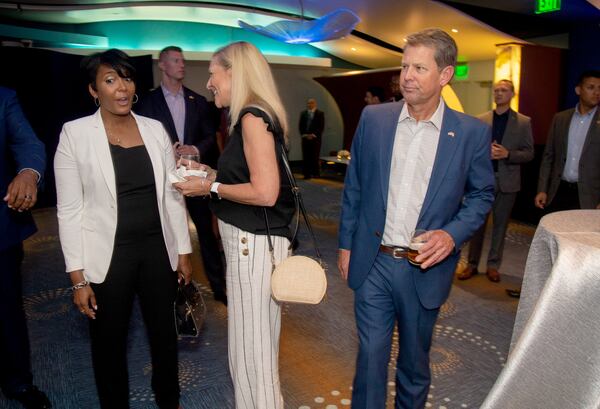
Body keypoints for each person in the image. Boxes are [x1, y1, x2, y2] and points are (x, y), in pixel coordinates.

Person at [338, 28, 494, 408]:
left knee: (413, 363)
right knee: (371, 358)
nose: (407, 75)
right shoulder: (374, 119)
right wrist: (345, 245)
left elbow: (481, 194)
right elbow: (354, 187)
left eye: (419, 68)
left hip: (423, 266)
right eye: (405, 65)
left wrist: (452, 235)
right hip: (373, 259)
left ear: (445, 75)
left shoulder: (471, 132)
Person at [54, 49, 192, 409]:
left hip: (156, 251)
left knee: (165, 338)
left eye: (126, 78)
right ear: (93, 90)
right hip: (108, 256)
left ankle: (169, 401)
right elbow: (68, 210)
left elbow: (171, 195)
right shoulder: (75, 134)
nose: (121, 88)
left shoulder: (153, 129)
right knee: (108, 342)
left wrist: (183, 251)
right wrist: (78, 278)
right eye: (110, 80)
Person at [173, 41, 294, 409]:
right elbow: (248, 178)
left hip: (252, 245)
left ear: (234, 73)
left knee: (251, 355)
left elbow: (266, 192)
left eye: (213, 73)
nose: (209, 83)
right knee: (254, 349)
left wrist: (209, 185)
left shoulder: (252, 117)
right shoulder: (253, 115)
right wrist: (210, 173)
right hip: (254, 244)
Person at [136, 46, 227, 305]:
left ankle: (219, 288)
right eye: (175, 60)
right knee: (166, 235)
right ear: (162, 65)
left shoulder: (197, 101)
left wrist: (194, 149)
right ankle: (168, 291)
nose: (182, 65)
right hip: (163, 180)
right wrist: (165, 151)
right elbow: (141, 138)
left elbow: (211, 136)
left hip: (194, 178)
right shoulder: (146, 102)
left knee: (207, 236)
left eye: (183, 60)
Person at [0, 87, 51, 409]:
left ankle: (18, 382)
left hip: (0, 231)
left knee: (6, 312)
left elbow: (28, 144)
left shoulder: (3, 97)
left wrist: (28, 174)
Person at [457, 79, 534, 283]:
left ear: (512, 94)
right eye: (497, 90)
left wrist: (508, 154)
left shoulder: (524, 122)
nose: (499, 93)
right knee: (476, 224)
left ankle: (493, 265)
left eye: (504, 90)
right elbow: (471, 151)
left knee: (500, 226)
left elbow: (529, 153)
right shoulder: (480, 120)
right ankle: (471, 264)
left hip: (508, 181)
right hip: (483, 180)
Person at [535, 70, 600, 212]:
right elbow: (548, 157)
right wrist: (542, 189)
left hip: (588, 196)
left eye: (599, 88)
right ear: (578, 90)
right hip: (558, 191)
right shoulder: (561, 118)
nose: (596, 92)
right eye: (591, 87)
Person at [298, 98, 325, 179]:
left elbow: (321, 126)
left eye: (312, 103)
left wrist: (313, 135)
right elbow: (300, 126)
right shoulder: (303, 113)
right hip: (305, 139)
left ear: (315, 104)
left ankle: (315, 173)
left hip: (315, 139)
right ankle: (307, 174)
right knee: (306, 156)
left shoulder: (320, 113)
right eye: (309, 103)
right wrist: (305, 135)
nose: (310, 104)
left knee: (314, 156)